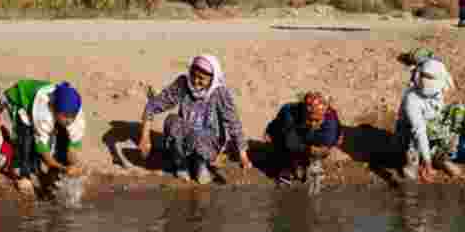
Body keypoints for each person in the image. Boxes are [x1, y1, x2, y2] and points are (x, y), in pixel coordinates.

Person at [138, 54, 251, 185]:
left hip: (207, 141)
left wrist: (243, 156)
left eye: (201, 79)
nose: (195, 81)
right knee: (172, 121)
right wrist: (145, 137)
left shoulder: (220, 93)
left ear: (212, 79)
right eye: (193, 75)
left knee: (199, 142)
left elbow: (233, 122)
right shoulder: (182, 84)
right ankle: (181, 164)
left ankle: (201, 164)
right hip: (185, 137)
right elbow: (154, 105)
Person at [4, 80, 87, 194]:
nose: (69, 120)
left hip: (49, 107)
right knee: (26, 136)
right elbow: (43, 151)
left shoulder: (77, 116)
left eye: (72, 116)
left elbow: (72, 148)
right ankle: (23, 173)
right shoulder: (44, 114)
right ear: (54, 109)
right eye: (65, 116)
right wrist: (63, 168)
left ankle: (45, 173)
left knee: (61, 136)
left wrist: (75, 165)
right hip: (20, 98)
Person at [395, 58, 464, 181]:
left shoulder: (438, 80)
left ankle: (441, 158)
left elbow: (438, 111)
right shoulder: (412, 99)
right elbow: (419, 130)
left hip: (430, 125)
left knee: (458, 111)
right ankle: (413, 163)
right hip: (409, 134)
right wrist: (427, 162)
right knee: (415, 130)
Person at [264, 91, 341, 187]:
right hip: (291, 131)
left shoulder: (330, 119)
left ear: (324, 114)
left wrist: (319, 151)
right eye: (310, 119)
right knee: (283, 141)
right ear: (304, 113)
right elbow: (290, 141)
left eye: (317, 120)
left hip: (314, 135)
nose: (313, 123)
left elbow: (328, 144)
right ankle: (287, 168)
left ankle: (310, 163)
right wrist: (304, 151)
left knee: (325, 146)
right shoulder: (290, 113)